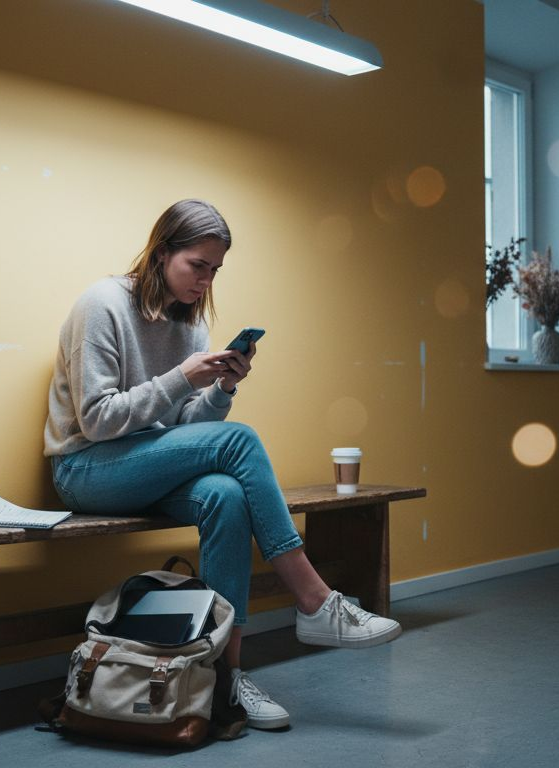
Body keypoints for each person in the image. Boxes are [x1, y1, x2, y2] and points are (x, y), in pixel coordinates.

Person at [43, 199, 401, 731]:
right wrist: (184, 376)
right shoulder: (101, 305)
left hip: (148, 465)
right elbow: (95, 421)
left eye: (215, 270)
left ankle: (225, 679)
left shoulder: (189, 324)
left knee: (226, 495)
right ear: (162, 253)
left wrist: (222, 385)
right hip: (87, 470)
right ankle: (315, 600)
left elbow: (187, 430)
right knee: (239, 442)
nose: (207, 281)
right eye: (198, 265)